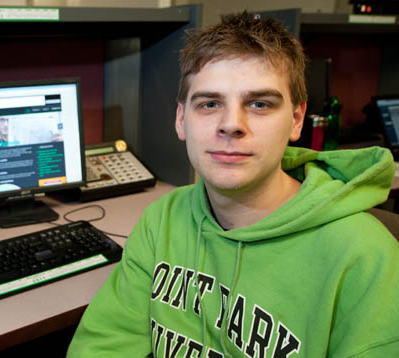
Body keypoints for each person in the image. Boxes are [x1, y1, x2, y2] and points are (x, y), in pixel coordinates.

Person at [68, 12, 399, 357]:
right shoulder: (162, 220)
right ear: (181, 120)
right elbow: (101, 346)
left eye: (259, 104)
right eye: (210, 103)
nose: (231, 125)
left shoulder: (364, 256)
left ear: (296, 120)